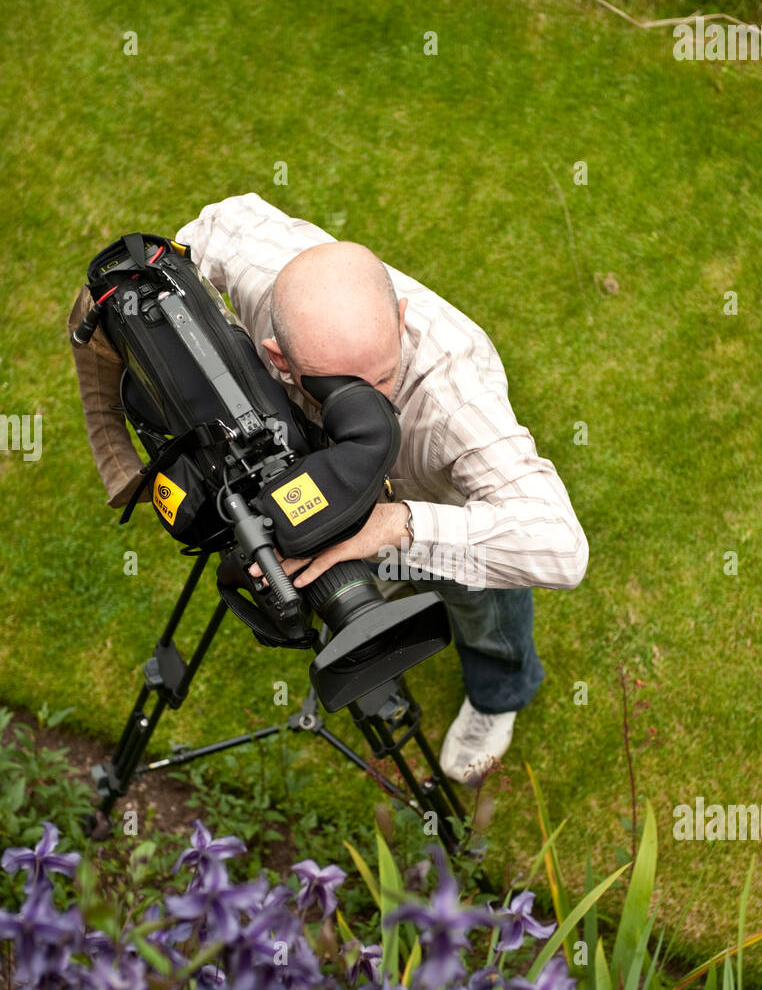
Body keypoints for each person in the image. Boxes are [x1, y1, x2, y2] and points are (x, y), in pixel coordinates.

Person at [68, 193, 588, 784]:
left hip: (437, 510)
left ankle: (500, 694)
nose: (372, 407)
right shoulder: (252, 263)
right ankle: (365, 596)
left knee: (485, 605)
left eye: (384, 379)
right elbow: (199, 233)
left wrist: (393, 526)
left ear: (401, 313)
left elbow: (563, 548)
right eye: (339, 388)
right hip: (313, 473)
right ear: (276, 354)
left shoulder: (457, 401)